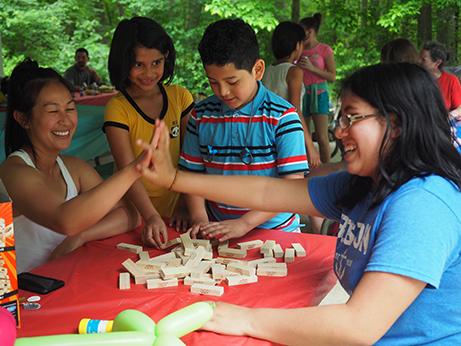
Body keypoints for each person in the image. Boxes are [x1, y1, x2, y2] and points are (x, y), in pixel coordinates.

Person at [138, 62, 461, 344]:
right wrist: (173, 179)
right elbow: (266, 192)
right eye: (340, 118)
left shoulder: (422, 204)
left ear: (399, 123)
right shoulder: (366, 183)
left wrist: (246, 319)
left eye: (351, 118)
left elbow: (358, 326)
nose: (337, 131)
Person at [0, 59, 145, 273]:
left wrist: (81, 236)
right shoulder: (14, 172)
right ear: (23, 119)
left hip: (62, 283)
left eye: (70, 108)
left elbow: (130, 215)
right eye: (52, 111)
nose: (66, 120)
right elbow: (66, 220)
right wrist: (134, 170)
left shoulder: (73, 168)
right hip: (22, 298)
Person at [179, 19, 309, 242]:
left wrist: (244, 224)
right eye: (213, 82)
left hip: (276, 234)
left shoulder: (283, 117)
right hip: (218, 231)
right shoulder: (200, 116)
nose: (223, 92)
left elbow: (293, 188)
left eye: (232, 81)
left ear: (257, 70)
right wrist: (200, 218)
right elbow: (191, 176)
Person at [103, 17, 194, 249]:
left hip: (176, 214)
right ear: (122, 63)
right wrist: (150, 216)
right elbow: (127, 169)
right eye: (138, 65)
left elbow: (191, 157)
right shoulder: (118, 107)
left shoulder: (180, 97)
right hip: (131, 216)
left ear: (166, 57)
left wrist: (185, 205)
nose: (148, 73)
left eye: (156, 62)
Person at [262, 21, 321, 171]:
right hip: (287, 134)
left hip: (267, 132)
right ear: (296, 45)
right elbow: (295, 110)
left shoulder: (268, 70)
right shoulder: (294, 71)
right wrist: (310, 146)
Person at [298, 13, 336, 164]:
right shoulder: (298, 50)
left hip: (320, 94)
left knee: (321, 137)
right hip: (302, 93)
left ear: (310, 31)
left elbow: (332, 76)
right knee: (304, 136)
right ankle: (307, 169)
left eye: (301, 31)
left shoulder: (325, 49)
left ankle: (327, 170)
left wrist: (312, 69)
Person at [419, 41, 461, 120]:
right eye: (419, 58)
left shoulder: (451, 81)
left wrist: (449, 117)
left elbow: (459, 108)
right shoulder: (415, 79)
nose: (418, 62)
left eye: (423, 60)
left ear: (437, 63)